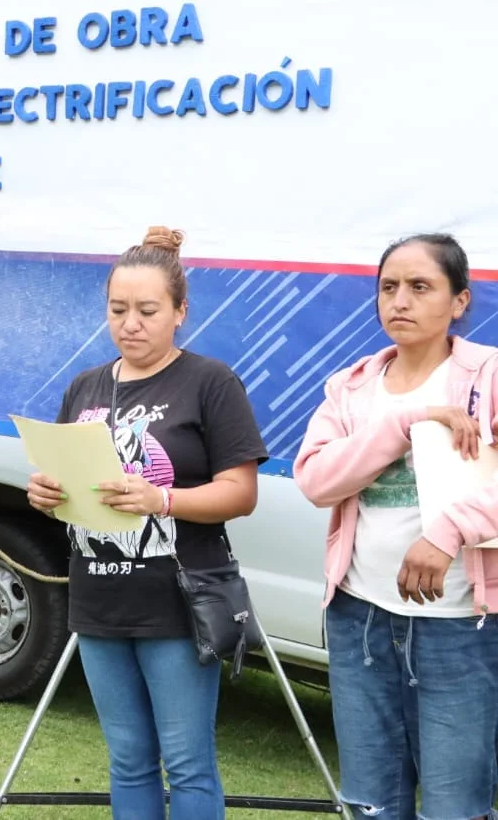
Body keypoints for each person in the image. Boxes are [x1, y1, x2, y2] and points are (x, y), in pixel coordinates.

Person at [26, 227, 267, 820]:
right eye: (118, 309)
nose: (130, 323)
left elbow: (241, 493)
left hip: (177, 602)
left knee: (187, 764)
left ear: (181, 312)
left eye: (148, 310)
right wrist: (45, 493)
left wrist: (162, 500)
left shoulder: (211, 382)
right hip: (100, 597)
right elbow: (67, 481)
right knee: (128, 760)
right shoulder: (86, 385)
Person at [294, 234, 498, 820]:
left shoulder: (486, 377)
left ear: (459, 301)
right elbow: (315, 481)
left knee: (454, 807)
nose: (400, 301)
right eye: (388, 288)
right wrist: (406, 421)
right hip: (359, 617)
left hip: (459, 626)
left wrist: (447, 532)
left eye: (420, 287)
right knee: (370, 805)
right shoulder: (353, 386)